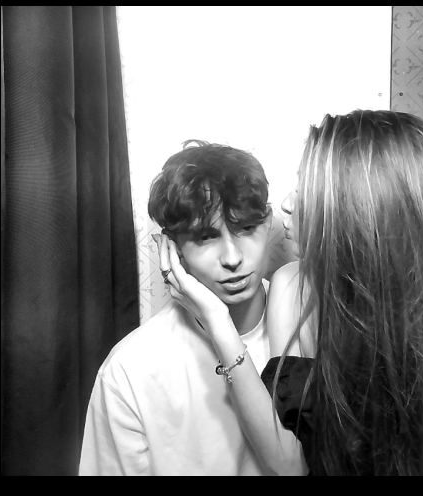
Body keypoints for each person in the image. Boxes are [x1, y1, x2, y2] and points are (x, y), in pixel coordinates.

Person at [159, 110, 423, 475]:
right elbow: (288, 464)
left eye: (307, 187)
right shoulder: (292, 285)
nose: (287, 204)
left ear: (363, 210)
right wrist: (219, 323)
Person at [80, 140, 279, 475]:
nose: (232, 258)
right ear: (172, 248)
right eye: (205, 237)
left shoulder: (312, 330)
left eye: (246, 228)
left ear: (268, 222)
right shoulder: (130, 371)